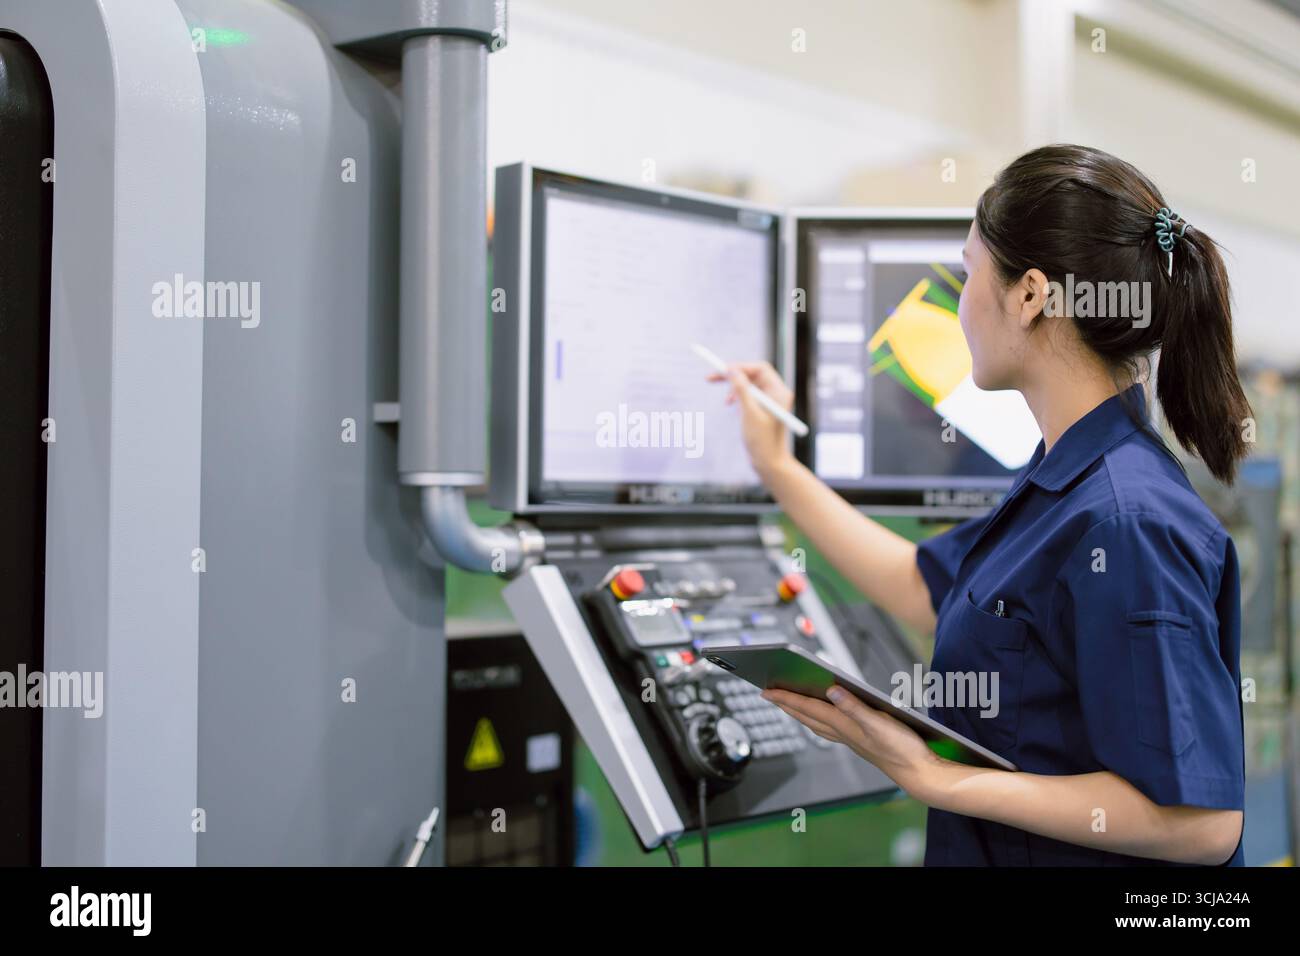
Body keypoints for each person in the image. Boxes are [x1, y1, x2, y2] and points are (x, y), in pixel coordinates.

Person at [717, 144, 1249, 865]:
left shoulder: (1126, 521)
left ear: (1030, 295)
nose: (958, 302)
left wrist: (938, 778)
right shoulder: (1060, 485)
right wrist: (776, 466)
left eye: (968, 274)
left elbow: (1200, 824)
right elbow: (922, 586)